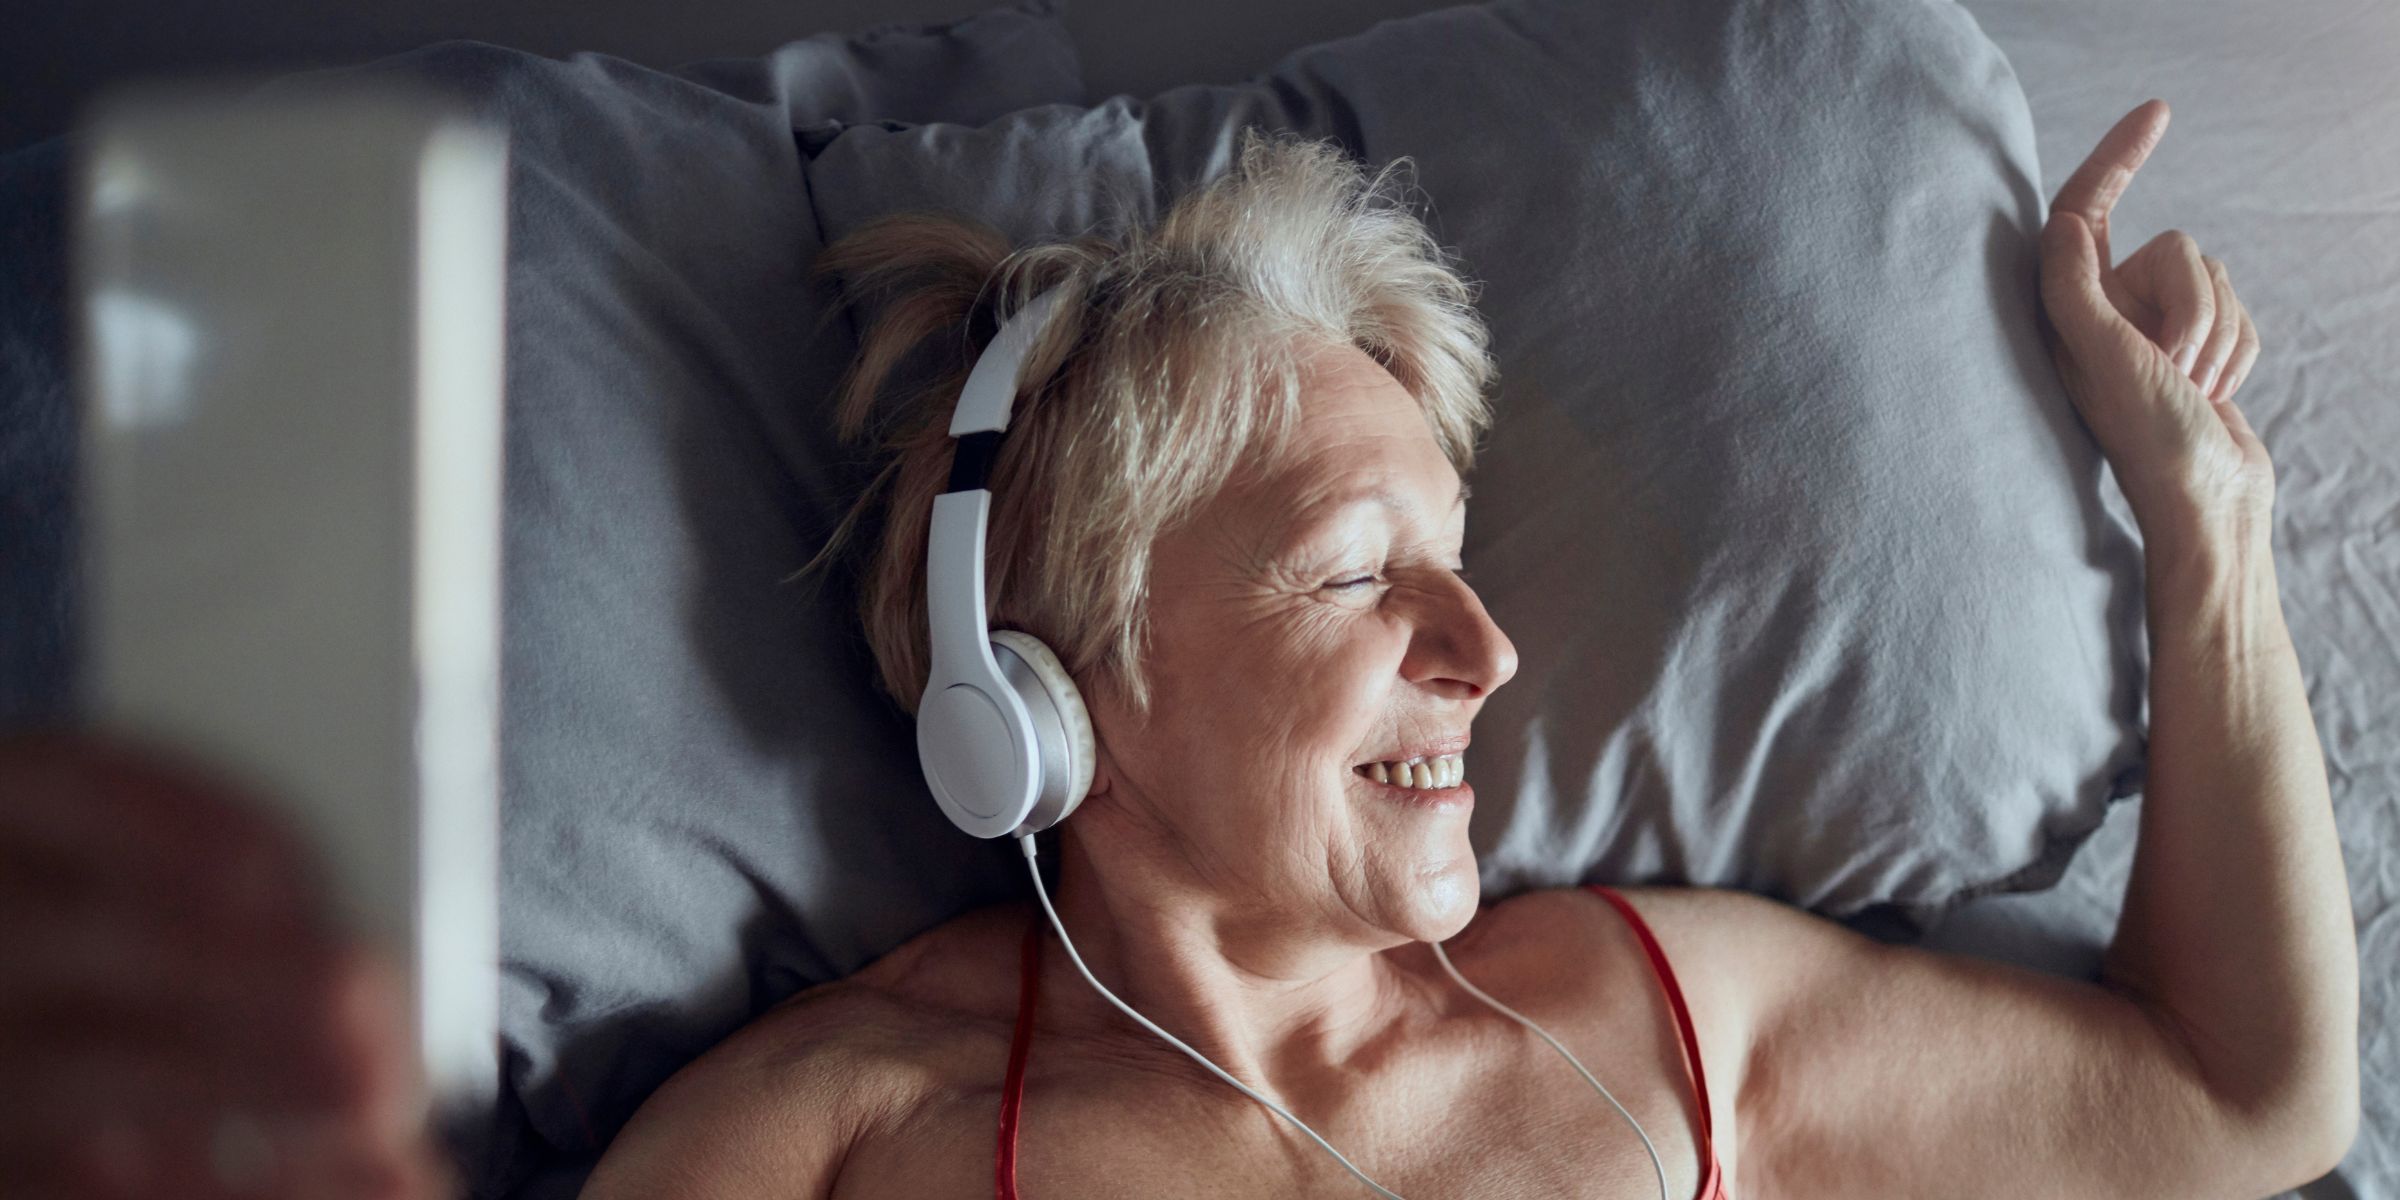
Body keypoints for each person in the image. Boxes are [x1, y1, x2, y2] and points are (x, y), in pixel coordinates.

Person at [0, 102, 2354, 1199]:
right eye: (1360, 572)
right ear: (1056, 678)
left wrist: (2208, 521)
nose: (1487, 643)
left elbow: (2246, 1109)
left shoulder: (1675, 1021)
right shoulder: (842, 1141)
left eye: (1452, 560)